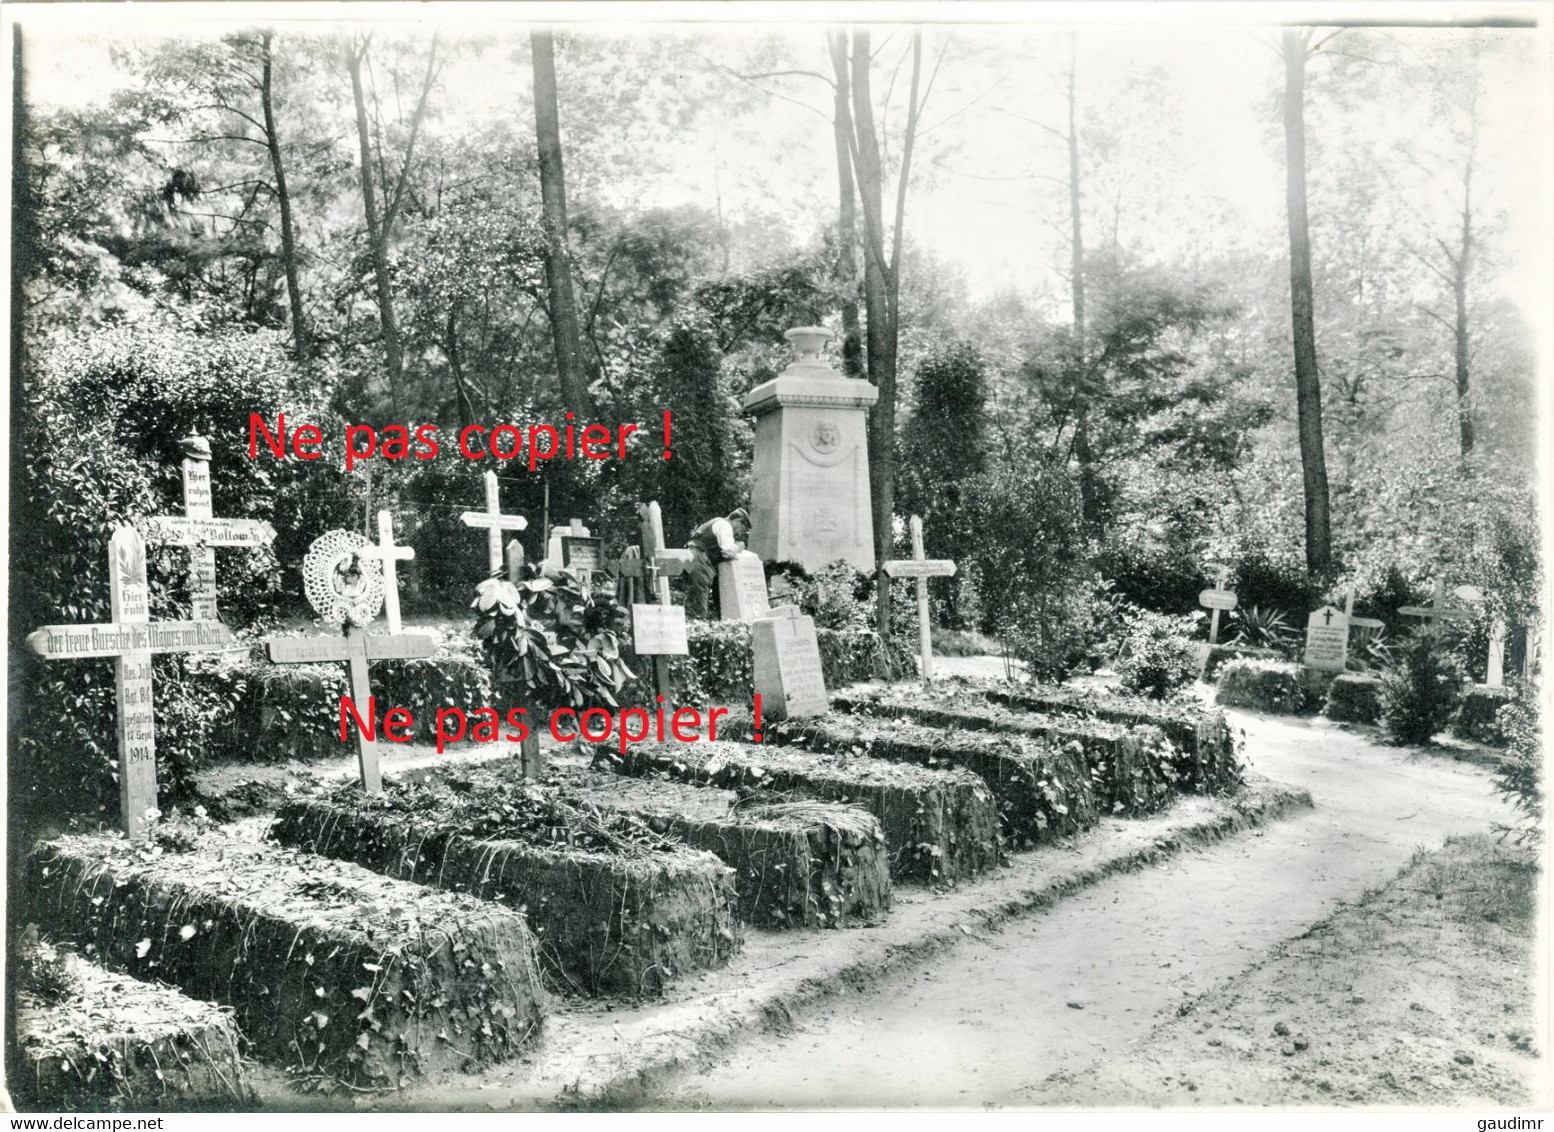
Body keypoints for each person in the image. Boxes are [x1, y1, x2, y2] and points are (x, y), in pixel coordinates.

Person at [684, 508, 750, 619]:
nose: (738, 533)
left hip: (694, 557)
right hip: (700, 559)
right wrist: (739, 546)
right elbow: (728, 551)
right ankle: (697, 630)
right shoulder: (725, 525)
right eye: (741, 529)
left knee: (694, 598)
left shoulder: (716, 522)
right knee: (698, 603)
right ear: (738, 521)